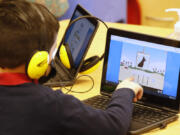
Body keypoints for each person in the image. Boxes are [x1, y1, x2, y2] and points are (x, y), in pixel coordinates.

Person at [0, 1, 143, 135]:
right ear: (39, 61)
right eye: (52, 51)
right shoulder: (50, 104)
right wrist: (125, 91)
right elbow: (114, 126)